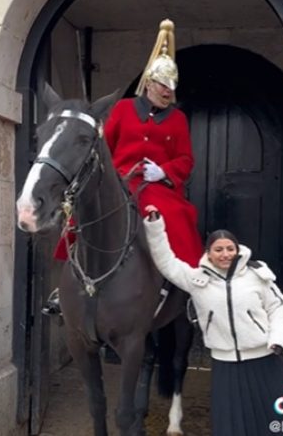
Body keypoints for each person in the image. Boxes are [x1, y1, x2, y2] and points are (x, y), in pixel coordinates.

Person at [44, 19, 204, 315]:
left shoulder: (178, 120)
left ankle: (187, 287)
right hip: (119, 181)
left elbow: (186, 159)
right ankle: (64, 287)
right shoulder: (123, 109)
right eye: (163, 85)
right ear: (150, 83)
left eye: (172, 87)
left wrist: (165, 172)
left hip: (156, 186)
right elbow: (104, 145)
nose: (168, 91)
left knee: (176, 216)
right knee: (82, 215)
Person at [144, 204, 283, 435]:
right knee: (233, 426)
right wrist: (155, 226)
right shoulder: (196, 280)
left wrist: (279, 339)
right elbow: (166, 262)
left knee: (280, 423)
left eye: (230, 248)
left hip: (266, 360)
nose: (225, 254)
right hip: (226, 366)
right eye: (218, 249)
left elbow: (279, 308)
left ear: (238, 250)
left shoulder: (257, 275)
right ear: (208, 253)